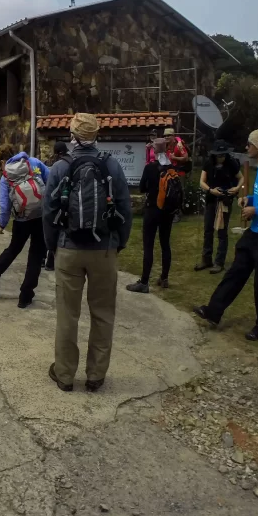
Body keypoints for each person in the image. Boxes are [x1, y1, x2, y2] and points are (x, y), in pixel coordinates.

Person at [43, 113, 133, 392]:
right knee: (103, 313)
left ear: (72, 135)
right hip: (104, 249)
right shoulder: (112, 165)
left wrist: (52, 245)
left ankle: (65, 374)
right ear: (97, 135)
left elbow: (48, 210)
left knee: (67, 315)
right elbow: (125, 208)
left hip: (69, 248)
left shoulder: (60, 167)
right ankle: (95, 375)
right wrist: (119, 243)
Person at [194, 129, 258, 341]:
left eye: (250, 144)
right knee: (235, 272)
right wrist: (249, 200)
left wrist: (256, 211)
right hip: (254, 232)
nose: (246, 147)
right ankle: (213, 311)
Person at [0, 151, 49, 307]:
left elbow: (5, 205)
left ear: (3, 160)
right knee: (36, 255)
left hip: (21, 219)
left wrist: (2, 224)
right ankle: (25, 295)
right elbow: (50, 181)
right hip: (40, 216)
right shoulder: (35, 163)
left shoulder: (6, 176)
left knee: (13, 250)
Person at [127, 138, 180, 293]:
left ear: (154, 150)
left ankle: (144, 282)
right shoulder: (171, 167)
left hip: (152, 209)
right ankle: (164, 278)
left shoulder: (150, 168)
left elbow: (142, 188)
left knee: (148, 245)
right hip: (167, 211)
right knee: (165, 243)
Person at [196, 140, 244, 273]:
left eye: (223, 155)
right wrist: (211, 190)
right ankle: (206, 259)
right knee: (208, 229)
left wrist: (236, 188)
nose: (221, 158)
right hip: (212, 199)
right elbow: (202, 182)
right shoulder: (208, 163)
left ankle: (219, 262)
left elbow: (241, 178)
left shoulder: (232, 163)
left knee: (222, 231)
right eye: (219, 155)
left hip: (225, 200)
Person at [45, 141, 71, 271]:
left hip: (60, 205)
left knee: (55, 230)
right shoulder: (74, 161)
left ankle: (50, 261)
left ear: (57, 153)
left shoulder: (57, 166)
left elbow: (50, 194)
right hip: (73, 208)